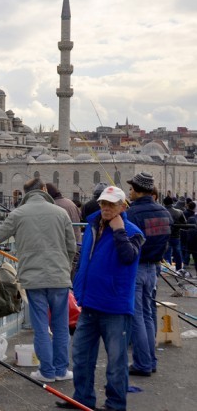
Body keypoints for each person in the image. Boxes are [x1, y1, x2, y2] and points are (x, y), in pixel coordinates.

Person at [0, 178, 76, 383]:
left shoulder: (18, 214)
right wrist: (65, 268)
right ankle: (61, 370)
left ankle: (46, 371)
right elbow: (71, 247)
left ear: (25, 193)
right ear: (44, 189)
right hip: (59, 278)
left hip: (33, 279)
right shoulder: (61, 213)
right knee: (61, 326)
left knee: (40, 325)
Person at [56, 186, 145, 411]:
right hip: (89, 303)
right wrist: (78, 288)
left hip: (115, 307)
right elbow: (84, 260)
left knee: (116, 362)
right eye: (104, 203)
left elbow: (129, 257)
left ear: (123, 206)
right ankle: (82, 399)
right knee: (81, 356)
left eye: (112, 204)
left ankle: (115, 405)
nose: (106, 208)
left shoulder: (132, 231)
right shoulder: (93, 226)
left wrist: (119, 231)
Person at [125, 172, 171, 377]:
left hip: (137, 268)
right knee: (148, 315)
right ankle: (150, 360)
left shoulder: (132, 214)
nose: (129, 192)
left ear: (136, 189)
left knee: (137, 317)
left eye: (131, 188)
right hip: (153, 269)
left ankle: (143, 363)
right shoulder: (163, 212)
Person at [163, 196, 186, 270]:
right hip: (176, 235)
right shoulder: (179, 212)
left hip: (165, 235)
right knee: (178, 253)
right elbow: (184, 223)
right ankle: (179, 269)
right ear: (172, 202)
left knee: (167, 253)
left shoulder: (162, 211)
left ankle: (168, 270)